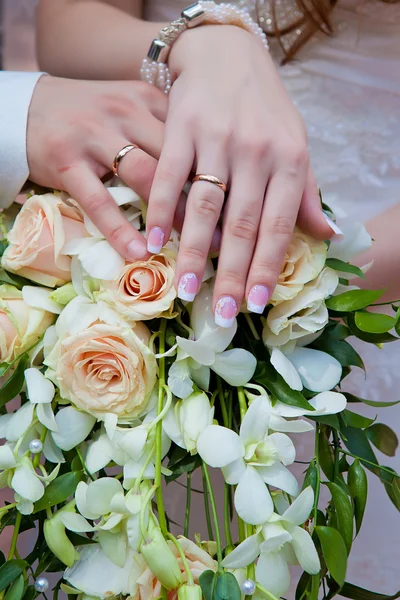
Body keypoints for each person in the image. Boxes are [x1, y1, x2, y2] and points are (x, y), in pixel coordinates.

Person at [35, 0, 400, 593]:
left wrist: (307, 285)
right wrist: (197, 42)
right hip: (139, 301)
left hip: (358, 295)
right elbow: (67, 25)